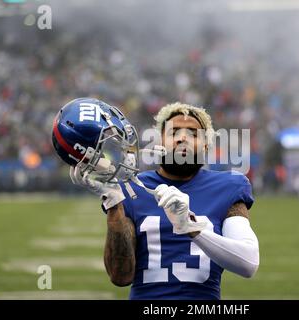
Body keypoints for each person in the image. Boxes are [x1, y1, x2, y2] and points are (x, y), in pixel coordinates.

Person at [66, 101, 259, 300]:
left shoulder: (228, 186)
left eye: (193, 133)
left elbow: (248, 262)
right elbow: (120, 276)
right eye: (174, 132)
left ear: (206, 145)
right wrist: (114, 202)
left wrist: (192, 228)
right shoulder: (131, 188)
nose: (182, 138)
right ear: (159, 143)